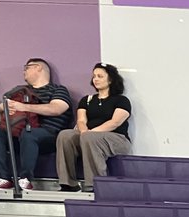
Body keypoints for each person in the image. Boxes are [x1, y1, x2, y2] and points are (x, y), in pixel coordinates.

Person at [0, 57, 72, 191]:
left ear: (38, 68)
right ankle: (3, 179)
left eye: (27, 67)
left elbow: (56, 109)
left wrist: (24, 107)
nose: (24, 71)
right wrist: (7, 106)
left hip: (48, 136)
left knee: (29, 133)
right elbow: (0, 106)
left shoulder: (58, 90)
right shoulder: (19, 90)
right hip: (19, 135)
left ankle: (25, 179)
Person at [54, 62, 131, 192]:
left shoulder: (121, 100)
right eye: (94, 76)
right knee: (65, 135)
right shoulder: (87, 100)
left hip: (116, 139)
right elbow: (81, 120)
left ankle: (95, 185)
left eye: (100, 76)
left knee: (90, 137)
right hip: (89, 137)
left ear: (110, 79)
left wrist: (90, 133)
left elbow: (115, 122)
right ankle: (68, 183)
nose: (95, 79)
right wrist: (84, 131)